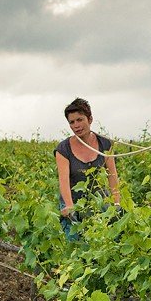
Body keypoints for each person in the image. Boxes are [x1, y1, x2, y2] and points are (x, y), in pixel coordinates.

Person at [55, 97, 120, 240]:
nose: (76, 125)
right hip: (74, 203)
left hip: (99, 202)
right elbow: (63, 181)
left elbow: (112, 175)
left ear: (89, 119)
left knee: (109, 241)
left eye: (80, 120)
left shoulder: (105, 144)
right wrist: (70, 207)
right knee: (77, 245)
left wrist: (116, 202)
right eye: (72, 122)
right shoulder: (63, 149)